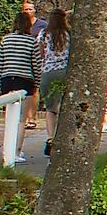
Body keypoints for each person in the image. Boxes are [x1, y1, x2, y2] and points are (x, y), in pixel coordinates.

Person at [34, 8, 71, 148]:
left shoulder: (44, 33)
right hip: (64, 71)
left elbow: (41, 53)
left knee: (50, 108)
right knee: (63, 105)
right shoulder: (69, 34)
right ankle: (63, 136)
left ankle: (50, 138)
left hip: (48, 72)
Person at [0, 4, 40, 107]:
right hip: (25, 79)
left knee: (10, 110)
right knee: (22, 113)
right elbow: (36, 65)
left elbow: (0, 63)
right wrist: (36, 84)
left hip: (7, 78)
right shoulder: (31, 41)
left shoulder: (6, 39)